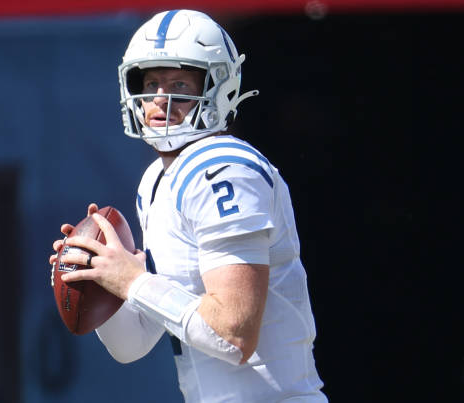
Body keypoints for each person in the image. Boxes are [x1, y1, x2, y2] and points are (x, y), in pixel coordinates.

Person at [50, 9, 328, 402]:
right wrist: (97, 281)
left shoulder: (223, 168)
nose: (159, 99)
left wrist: (133, 280)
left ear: (219, 84)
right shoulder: (157, 180)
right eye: (150, 83)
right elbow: (132, 346)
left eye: (179, 83)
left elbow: (234, 335)